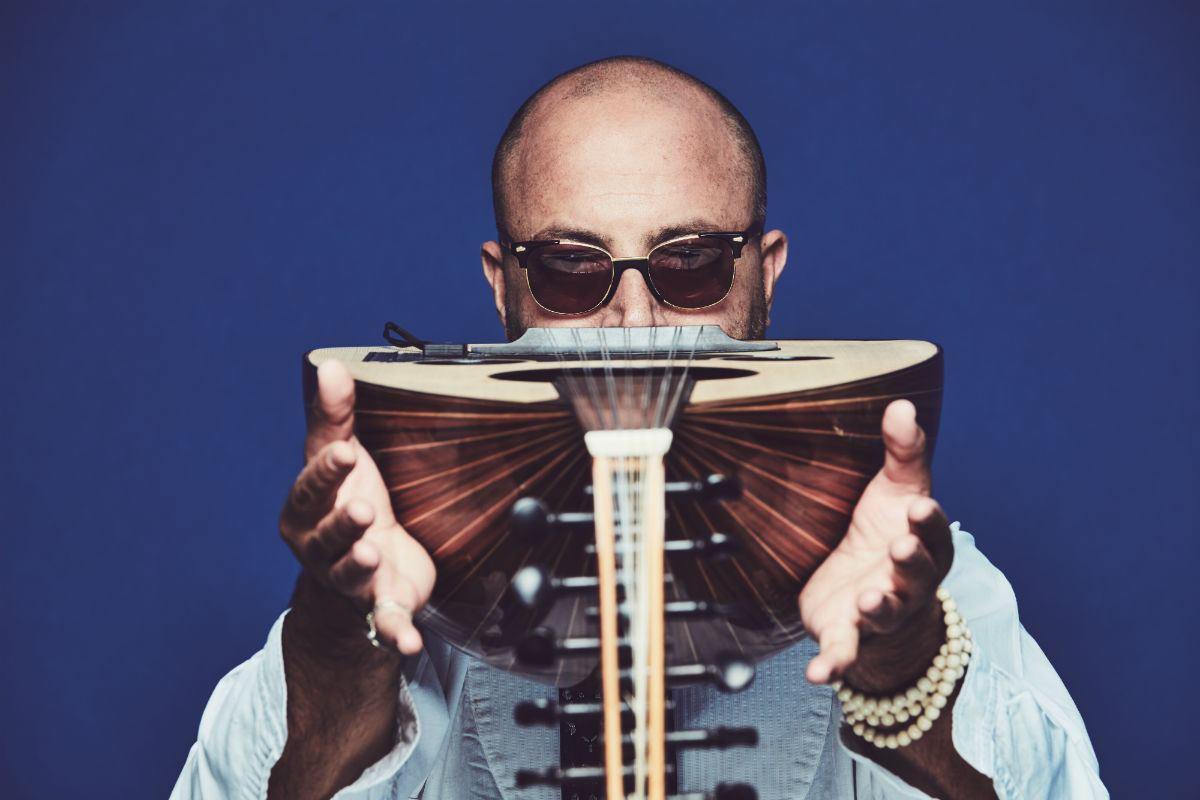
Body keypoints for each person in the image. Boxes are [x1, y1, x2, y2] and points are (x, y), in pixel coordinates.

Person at [171, 57, 1106, 799]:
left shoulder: (901, 573)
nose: (633, 324)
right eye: (571, 270)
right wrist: (339, 632)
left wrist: (903, 663)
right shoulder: (400, 565)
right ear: (503, 286)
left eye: (690, 264)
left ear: (765, 273)